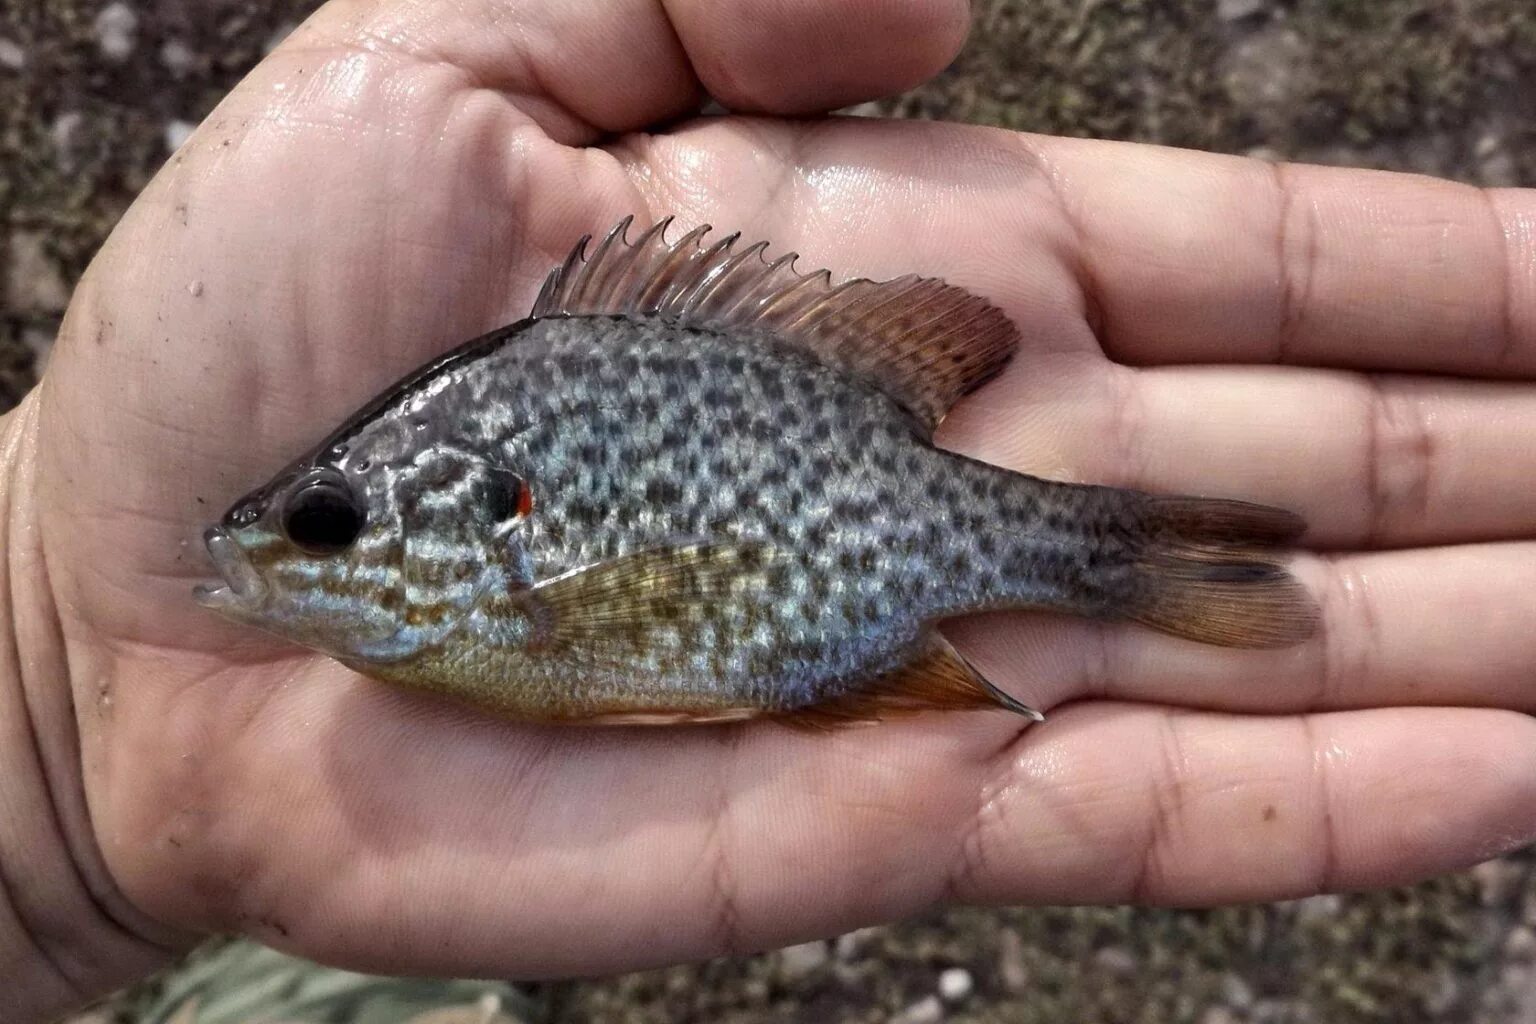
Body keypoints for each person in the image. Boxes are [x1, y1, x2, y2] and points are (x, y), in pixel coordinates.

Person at [4, 0, 1535, 1020]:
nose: (272, 553)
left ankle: (1121, 556)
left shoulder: (505, 600)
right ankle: (1135, 562)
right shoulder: (471, 602)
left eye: (325, 524)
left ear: (485, 517)